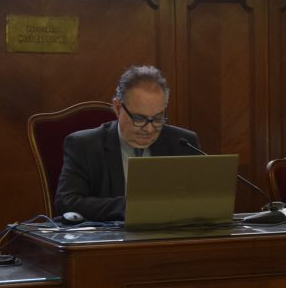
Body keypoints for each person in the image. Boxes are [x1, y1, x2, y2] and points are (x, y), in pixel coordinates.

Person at [54, 65, 200, 222]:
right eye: (139, 118)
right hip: (110, 242)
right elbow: (66, 203)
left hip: (172, 239)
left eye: (157, 118)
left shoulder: (183, 143)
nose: (149, 129)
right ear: (117, 108)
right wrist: (128, 206)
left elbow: (203, 199)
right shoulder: (85, 145)